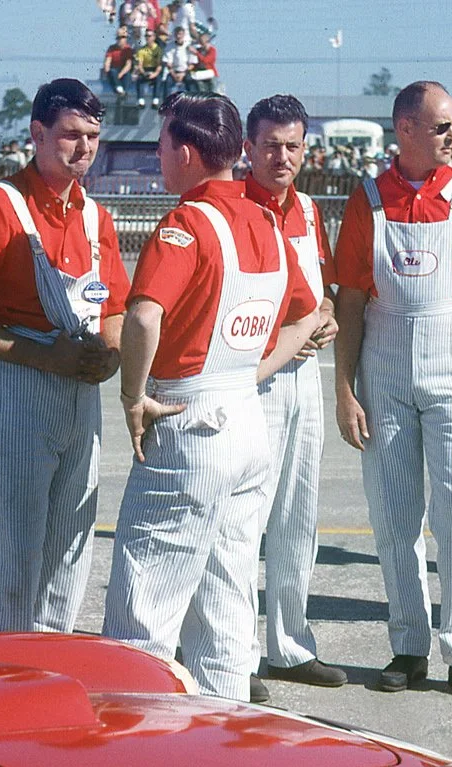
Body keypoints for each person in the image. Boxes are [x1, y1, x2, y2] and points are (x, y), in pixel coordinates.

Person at [103, 92, 321, 703]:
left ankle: (133, 747)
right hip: (246, 423)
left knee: (144, 610)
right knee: (227, 611)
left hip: (189, 422)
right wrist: (252, 372)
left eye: (164, 144)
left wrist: (132, 395)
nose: (159, 156)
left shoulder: (188, 223)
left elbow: (145, 316)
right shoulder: (268, 222)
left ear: (188, 152)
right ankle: (226, 743)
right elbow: (307, 315)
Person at [332, 80, 452, 703]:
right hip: (383, 365)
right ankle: (408, 645)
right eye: (442, 127)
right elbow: (351, 300)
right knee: (394, 514)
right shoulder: (367, 199)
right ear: (406, 130)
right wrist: (344, 388)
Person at [0, 79, 128, 635]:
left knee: (71, 546)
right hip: (18, 392)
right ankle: (3, 679)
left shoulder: (96, 216)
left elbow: (113, 306)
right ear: (38, 133)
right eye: (70, 135)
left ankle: (51, 669)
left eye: (93, 136)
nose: (83, 148)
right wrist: (43, 359)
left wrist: (111, 354)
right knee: (10, 552)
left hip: (80, 398)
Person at [241, 94, 346, 692]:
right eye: (270, 145)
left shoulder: (307, 209)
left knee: (297, 514)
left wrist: (326, 315)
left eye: (292, 146)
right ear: (248, 148)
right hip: (254, 378)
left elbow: (322, 290)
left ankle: (288, 643)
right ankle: (237, 648)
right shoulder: (231, 207)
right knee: (245, 517)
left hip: (303, 377)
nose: (282, 157)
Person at [102, 27, 135, 97]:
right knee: (112, 71)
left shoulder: (128, 49)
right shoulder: (111, 48)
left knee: (127, 75)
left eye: (123, 37)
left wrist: (120, 74)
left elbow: (128, 65)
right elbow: (107, 62)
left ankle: (124, 92)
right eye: (119, 38)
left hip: (124, 71)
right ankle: (119, 89)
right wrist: (107, 71)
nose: (120, 40)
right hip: (114, 70)